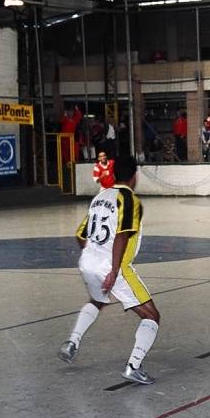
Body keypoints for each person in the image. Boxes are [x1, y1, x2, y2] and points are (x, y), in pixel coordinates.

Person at [58, 156, 160, 384]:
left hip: (88, 262)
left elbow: (80, 234)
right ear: (135, 176)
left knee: (98, 300)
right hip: (113, 266)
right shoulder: (130, 199)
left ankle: (71, 343)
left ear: (113, 176)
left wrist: (93, 255)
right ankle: (133, 366)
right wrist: (113, 271)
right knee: (151, 316)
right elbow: (123, 235)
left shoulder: (100, 197)